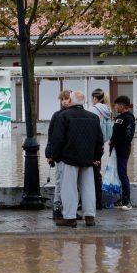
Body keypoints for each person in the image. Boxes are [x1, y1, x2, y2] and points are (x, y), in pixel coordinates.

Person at [46, 91, 103, 227]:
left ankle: (70, 218)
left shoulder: (63, 116)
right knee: (88, 188)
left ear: (71, 101)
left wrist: (53, 156)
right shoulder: (93, 117)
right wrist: (96, 157)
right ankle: (90, 217)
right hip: (87, 159)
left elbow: (58, 139)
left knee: (69, 188)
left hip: (69, 158)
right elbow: (99, 140)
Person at [45, 90, 73, 220]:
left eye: (66, 98)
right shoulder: (57, 115)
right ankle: (57, 207)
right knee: (60, 182)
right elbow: (51, 136)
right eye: (62, 99)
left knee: (71, 183)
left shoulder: (72, 114)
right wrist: (49, 154)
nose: (64, 101)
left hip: (70, 154)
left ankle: (69, 208)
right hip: (60, 155)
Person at [111, 95, 135, 210]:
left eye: (116, 105)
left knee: (123, 174)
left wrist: (114, 141)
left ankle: (127, 201)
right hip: (115, 150)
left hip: (123, 151)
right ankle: (121, 199)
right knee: (118, 175)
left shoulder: (129, 118)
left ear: (121, 105)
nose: (115, 107)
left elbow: (128, 137)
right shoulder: (119, 117)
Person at [91, 88, 112, 210]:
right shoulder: (108, 111)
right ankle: (98, 202)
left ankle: (88, 202)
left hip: (90, 145)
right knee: (97, 173)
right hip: (101, 145)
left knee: (87, 174)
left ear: (94, 98)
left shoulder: (93, 110)